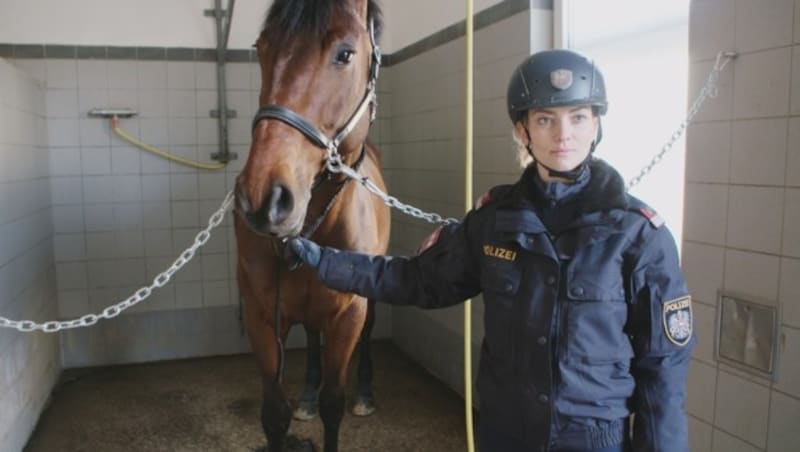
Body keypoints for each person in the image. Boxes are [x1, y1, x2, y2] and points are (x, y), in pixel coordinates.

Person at [286, 49, 694, 452]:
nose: (563, 134)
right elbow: (418, 281)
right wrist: (326, 261)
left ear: (596, 125)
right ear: (523, 131)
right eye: (546, 119)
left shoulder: (638, 234)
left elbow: (663, 369)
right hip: (505, 432)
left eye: (578, 117)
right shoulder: (494, 220)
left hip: (591, 438)